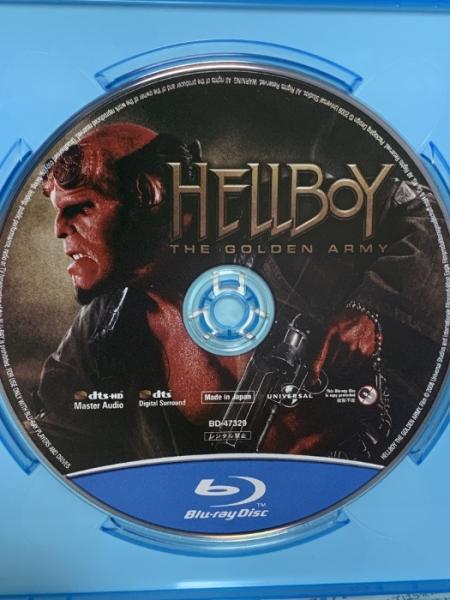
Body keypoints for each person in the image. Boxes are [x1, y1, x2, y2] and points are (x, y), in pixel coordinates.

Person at [33, 122, 446, 470]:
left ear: (150, 194)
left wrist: (371, 313)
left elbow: (432, 214)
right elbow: (56, 453)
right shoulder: (99, 337)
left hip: (397, 478)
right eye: (58, 211)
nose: (59, 229)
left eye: (81, 208)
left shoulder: (285, 212)